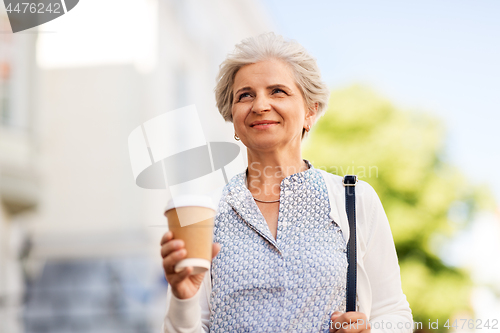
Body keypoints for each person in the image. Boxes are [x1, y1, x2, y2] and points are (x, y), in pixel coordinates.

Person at [160, 32, 412, 333]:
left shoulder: (354, 200)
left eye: (277, 91)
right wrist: (182, 298)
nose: (260, 105)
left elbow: (393, 312)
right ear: (234, 119)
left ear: (310, 111)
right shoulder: (206, 212)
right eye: (245, 95)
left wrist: (370, 330)